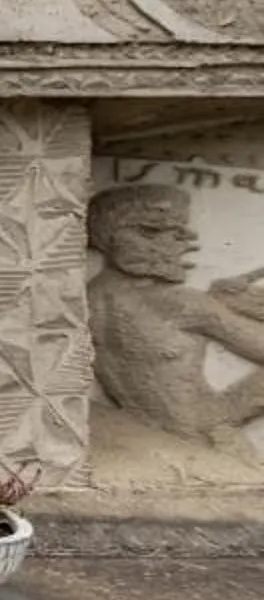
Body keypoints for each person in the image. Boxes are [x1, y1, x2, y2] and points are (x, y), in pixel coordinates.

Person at [85, 184, 264, 446]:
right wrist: (244, 306)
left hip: (146, 434)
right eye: (150, 231)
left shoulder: (85, 296)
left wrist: (223, 304)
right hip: (195, 434)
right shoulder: (181, 303)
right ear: (106, 236)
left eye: (177, 234)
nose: (171, 245)